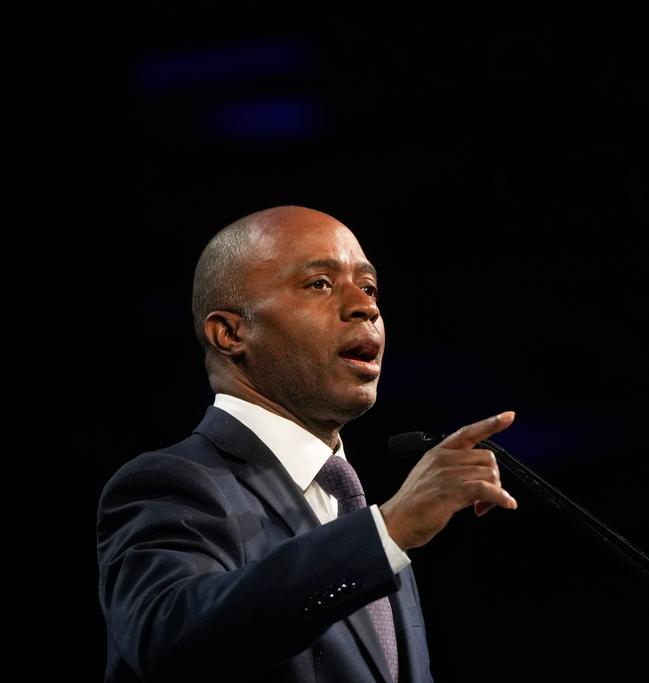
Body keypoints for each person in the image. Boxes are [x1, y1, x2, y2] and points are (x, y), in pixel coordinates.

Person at [96, 205, 518, 682]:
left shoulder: (358, 514)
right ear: (230, 332)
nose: (367, 306)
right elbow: (168, 639)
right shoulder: (171, 483)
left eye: (370, 286)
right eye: (320, 283)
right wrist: (392, 529)